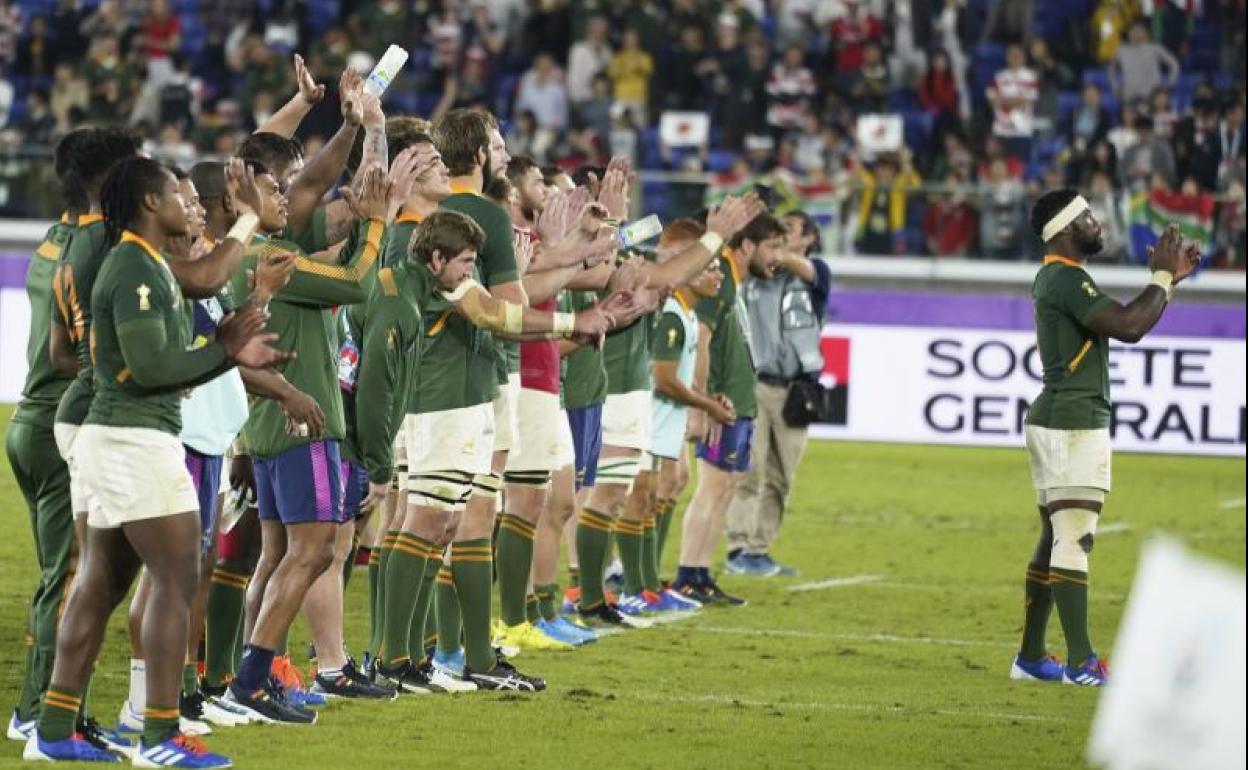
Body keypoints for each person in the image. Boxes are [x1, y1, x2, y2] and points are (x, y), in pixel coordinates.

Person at [24, 156, 289, 767]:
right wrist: (224, 347)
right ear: (150, 203)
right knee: (176, 581)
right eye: (176, 193)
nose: (186, 201)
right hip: (132, 438)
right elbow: (151, 369)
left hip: (118, 437)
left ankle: (55, 726)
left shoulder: (145, 262)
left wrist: (236, 319)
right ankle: (159, 737)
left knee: (102, 583)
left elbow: (201, 282)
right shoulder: (134, 268)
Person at [1011, 190, 1201, 687]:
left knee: (1055, 535)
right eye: (1088, 218)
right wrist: (1161, 276)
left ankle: (1031, 657)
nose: (1098, 224)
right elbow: (1129, 326)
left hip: (1057, 417)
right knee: (1076, 537)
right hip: (1074, 422)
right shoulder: (1068, 279)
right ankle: (1082, 662)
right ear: (1066, 230)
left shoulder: (1059, 278)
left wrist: (1167, 283)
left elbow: (1129, 320)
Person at [5, 133, 83, 745]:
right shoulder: (89, 249)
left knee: (62, 574)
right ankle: (38, 714)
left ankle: (36, 707)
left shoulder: (56, 237)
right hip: (59, 424)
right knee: (70, 576)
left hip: (30, 422)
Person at [672, 212, 786, 606]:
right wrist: (700, 403)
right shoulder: (716, 277)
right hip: (721, 403)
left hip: (737, 402)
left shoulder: (732, 283)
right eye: (773, 246)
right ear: (748, 246)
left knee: (726, 488)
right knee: (712, 488)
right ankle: (687, 574)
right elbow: (700, 339)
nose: (779, 257)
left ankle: (701, 575)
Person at [724, 210, 831, 577]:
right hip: (754, 383)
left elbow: (813, 273)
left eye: (790, 234)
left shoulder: (817, 276)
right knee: (748, 470)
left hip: (796, 391)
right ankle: (738, 547)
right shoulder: (755, 274)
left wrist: (779, 252)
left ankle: (759, 550)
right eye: (775, 236)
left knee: (782, 476)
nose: (782, 241)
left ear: (808, 241)